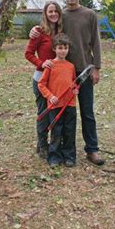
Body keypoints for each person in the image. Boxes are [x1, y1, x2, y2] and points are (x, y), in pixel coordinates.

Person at [31, 0, 104, 165]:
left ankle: (92, 149)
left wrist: (96, 67)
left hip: (84, 71)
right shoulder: (60, 15)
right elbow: (46, 27)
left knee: (87, 112)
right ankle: (60, 148)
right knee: (61, 113)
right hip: (62, 73)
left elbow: (96, 41)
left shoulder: (89, 14)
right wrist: (34, 30)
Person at [25, 1, 63, 159]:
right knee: (44, 113)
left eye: (56, 11)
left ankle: (56, 144)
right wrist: (41, 63)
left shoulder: (61, 31)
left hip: (58, 80)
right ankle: (42, 145)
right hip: (42, 79)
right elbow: (28, 53)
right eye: (50, 11)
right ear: (45, 14)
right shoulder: (39, 32)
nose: (53, 14)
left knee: (56, 114)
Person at [38, 33, 79, 167]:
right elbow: (41, 84)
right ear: (54, 48)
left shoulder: (70, 66)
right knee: (56, 131)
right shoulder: (50, 65)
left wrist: (74, 90)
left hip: (70, 104)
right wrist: (50, 96)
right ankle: (54, 156)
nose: (63, 51)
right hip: (55, 105)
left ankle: (69, 156)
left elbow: (72, 83)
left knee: (69, 131)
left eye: (65, 48)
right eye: (60, 48)